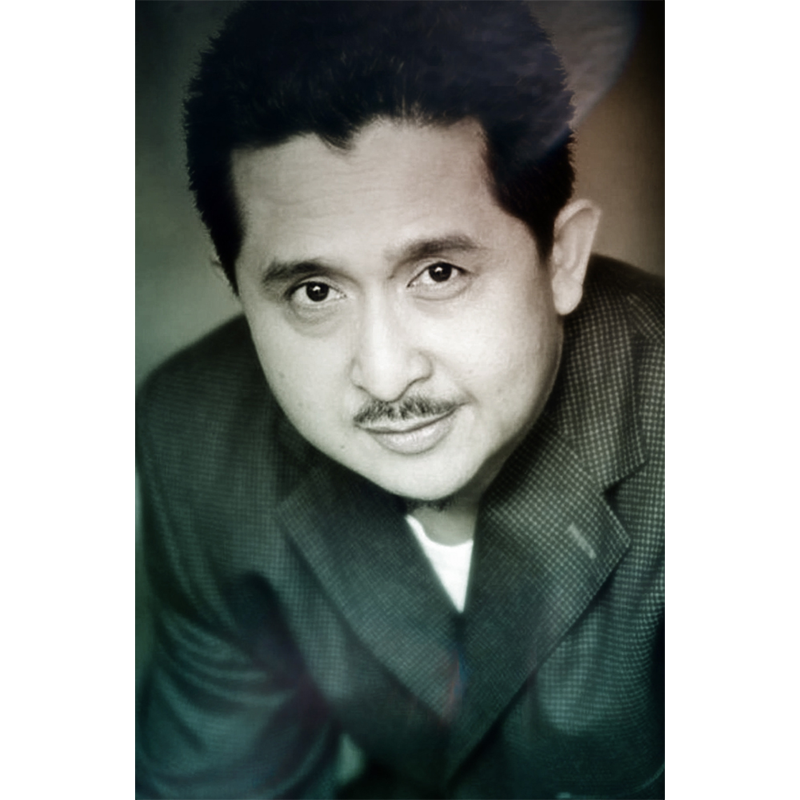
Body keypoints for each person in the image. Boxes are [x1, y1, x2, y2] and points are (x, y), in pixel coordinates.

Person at [135, 0, 664, 797]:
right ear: (239, 291)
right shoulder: (195, 439)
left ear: (562, 257)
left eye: (439, 274)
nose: (385, 377)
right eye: (314, 292)